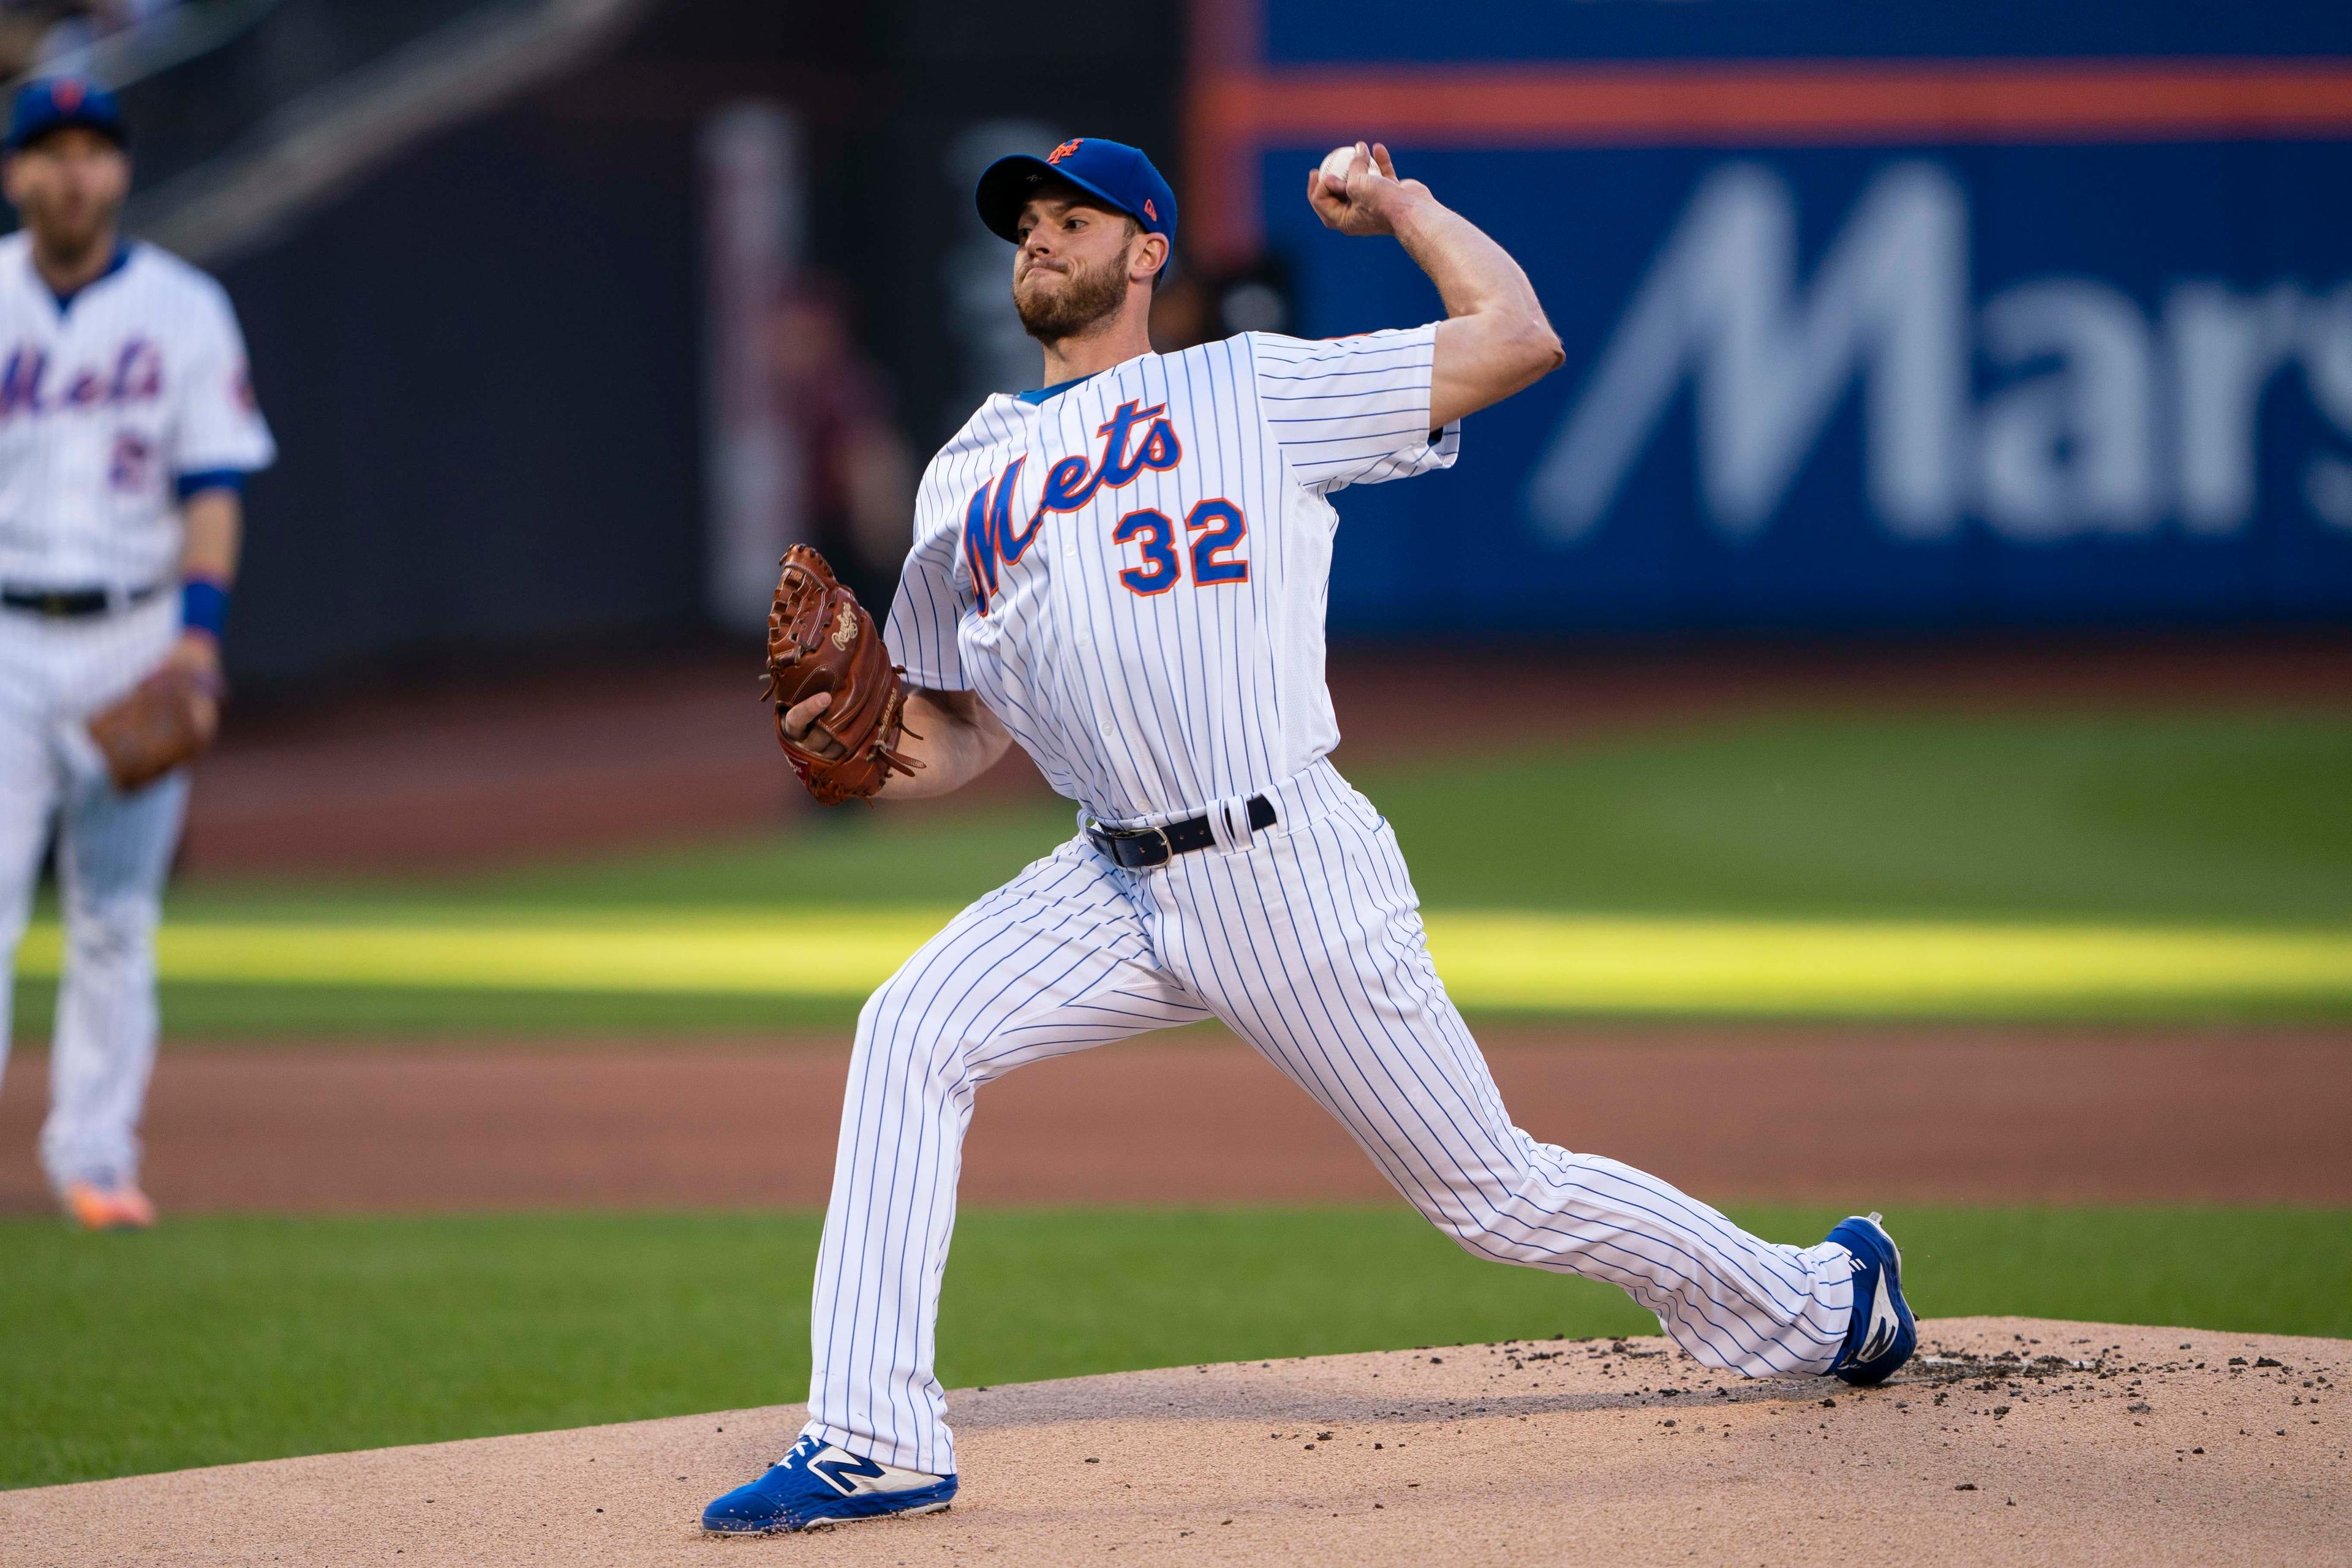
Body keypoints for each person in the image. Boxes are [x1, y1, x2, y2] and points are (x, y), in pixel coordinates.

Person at [703, 136, 1914, 1534]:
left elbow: (1516, 337)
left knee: (1494, 1194)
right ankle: (874, 1437)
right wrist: (851, 754)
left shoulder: (1250, 388)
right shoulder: (965, 472)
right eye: (1026, 220)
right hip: (1107, 876)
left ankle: (1826, 1299)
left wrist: (1403, 206)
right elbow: (965, 733)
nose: (1039, 238)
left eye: (1073, 217)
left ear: (1147, 251)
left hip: (1284, 867)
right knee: (910, 1026)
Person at [0, 77, 275, 1229]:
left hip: (135, 634)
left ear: (120, 171)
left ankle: (96, 1161)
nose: (74, 171)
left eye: (94, 151)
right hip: (5, 638)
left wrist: (196, 650)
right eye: (50, 150)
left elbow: (212, 490)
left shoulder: (183, 307)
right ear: (17, 172)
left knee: (115, 915)